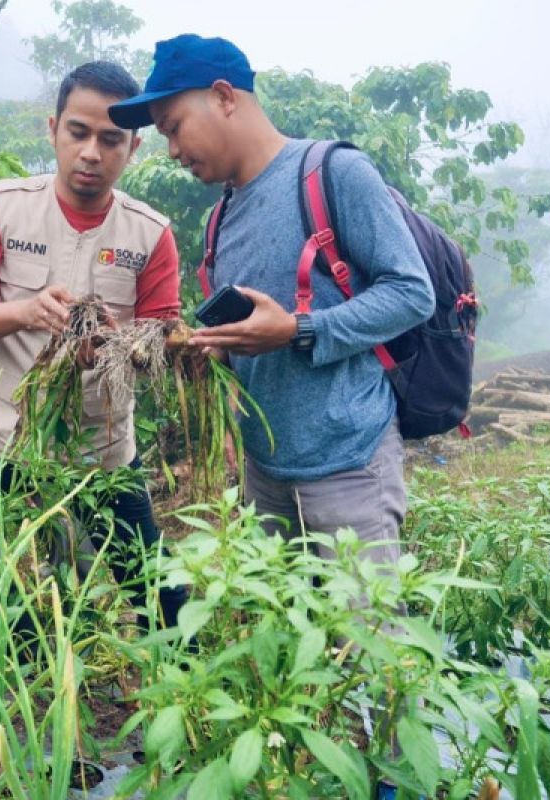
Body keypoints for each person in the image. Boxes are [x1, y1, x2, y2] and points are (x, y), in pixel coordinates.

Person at [108, 35, 434, 570]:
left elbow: (411, 292)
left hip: (348, 463)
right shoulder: (219, 220)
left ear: (222, 96)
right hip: (265, 475)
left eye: (173, 128)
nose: (171, 150)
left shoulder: (334, 173)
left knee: (367, 644)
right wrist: (214, 350)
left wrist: (297, 331)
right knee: (287, 642)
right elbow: (251, 336)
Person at [0, 61, 186, 632]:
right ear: (53, 128)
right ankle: (33, 655)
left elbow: (160, 337)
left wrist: (117, 348)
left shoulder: (151, 234)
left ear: (135, 147)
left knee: (152, 584)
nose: (92, 153)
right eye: (78, 132)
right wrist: (26, 311)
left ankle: (182, 680)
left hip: (101, 449)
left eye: (111, 139)